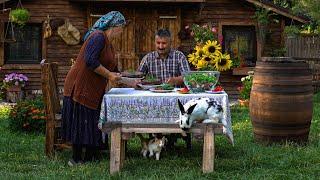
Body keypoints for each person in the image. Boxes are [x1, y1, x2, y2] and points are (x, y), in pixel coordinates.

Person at [61, 11, 127, 166]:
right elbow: (90, 60)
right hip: (81, 85)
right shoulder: (98, 36)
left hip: (93, 87)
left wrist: (126, 78)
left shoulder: (107, 42)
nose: (122, 31)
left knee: (92, 119)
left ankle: (90, 155)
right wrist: (110, 75)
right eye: (122, 27)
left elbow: (111, 66)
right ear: (114, 26)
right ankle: (76, 158)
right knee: (82, 120)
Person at [138, 29, 192, 149]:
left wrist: (176, 80)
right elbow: (139, 77)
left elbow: (188, 76)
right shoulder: (148, 58)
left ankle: (174, 135)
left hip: (176, 99)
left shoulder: (179, 56)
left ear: (170, 43)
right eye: (158, 43)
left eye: (164, 43)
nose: (160, 46)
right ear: (155, 42)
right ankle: (156, 137)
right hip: (154, 99)